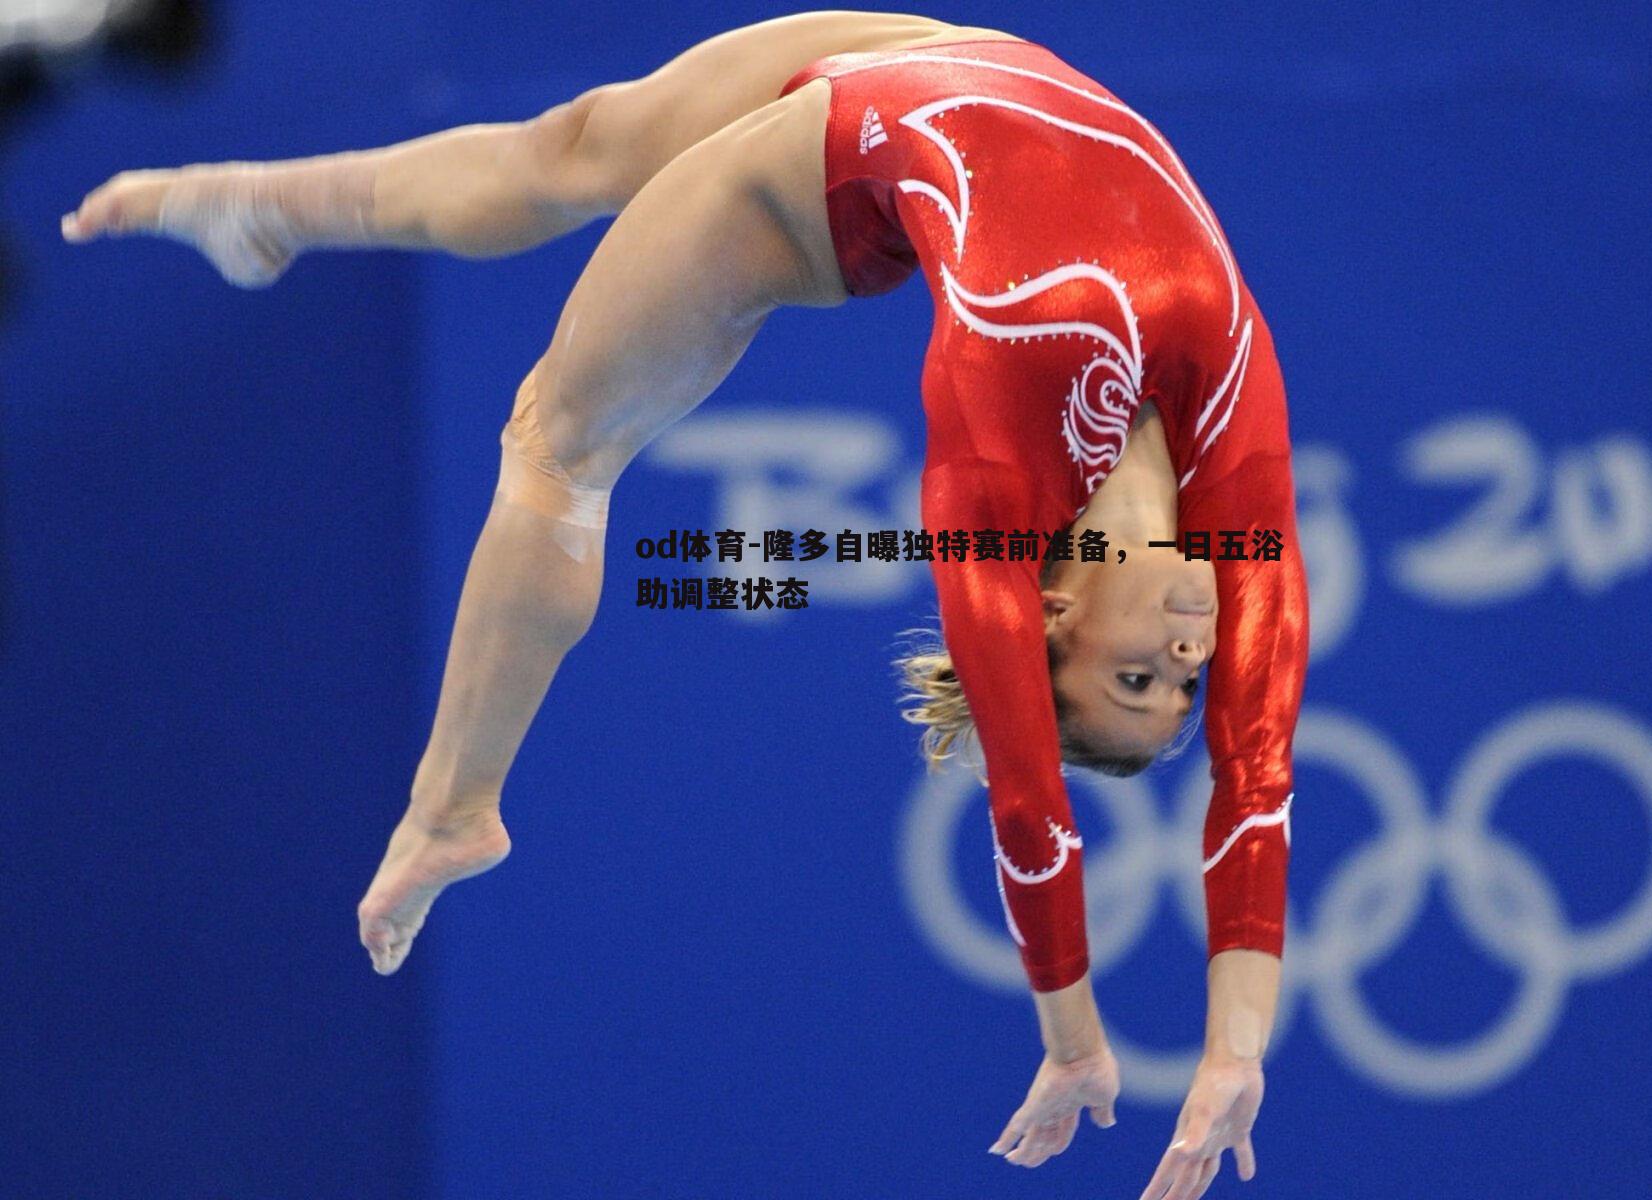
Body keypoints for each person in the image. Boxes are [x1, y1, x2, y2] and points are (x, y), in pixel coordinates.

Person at [62, 13, 1308, 1200]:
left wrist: (1076, 1036)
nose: (1187, 656)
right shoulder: (1237, 479)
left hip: (826, 169)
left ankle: (454, 807)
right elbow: (1256, 777)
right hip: (951, 64)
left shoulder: (992, 482)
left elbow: (1028, 799)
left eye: (1140, 681)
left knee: (556, 445)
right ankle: (267, 209)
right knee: (576, 146)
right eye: (1175, 684)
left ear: (1055, 618)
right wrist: (1234, 1052)